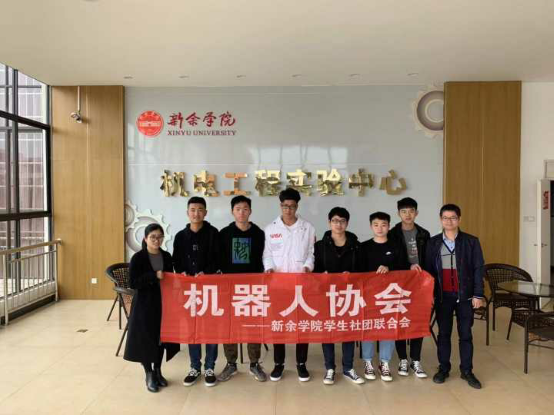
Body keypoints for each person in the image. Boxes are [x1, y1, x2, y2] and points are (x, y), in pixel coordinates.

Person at [425, 204, 485, 389]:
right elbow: (428, 271)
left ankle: (467, 371)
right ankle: (443, 368)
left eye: (453, 218)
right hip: (443, 296)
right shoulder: (433, 243)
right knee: (444, 334)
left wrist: (478, 294)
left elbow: (478, 268)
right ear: (440, 220)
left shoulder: (471, 241)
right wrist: (429, 294)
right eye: (445, 218)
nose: (449, 221)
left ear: (459, 219)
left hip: (465, 296)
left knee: (465, 334)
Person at [263, 188, 316, 382]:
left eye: (292, 206)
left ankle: (301, 363)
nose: (288, 210)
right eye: (285, 206)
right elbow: (267, 253)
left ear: (297, 207)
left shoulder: (307, 228)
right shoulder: (271, 228)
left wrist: (308, 266)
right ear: (280, 206)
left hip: (301, 284)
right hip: (278, 284)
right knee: (279, 325)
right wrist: (269, 268)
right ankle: (279, 364)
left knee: (302, 324)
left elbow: (311, 252)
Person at [217, 195, 268, 382]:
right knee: (229, 325)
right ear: (232, 211)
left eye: (245, 209)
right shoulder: (224, 233)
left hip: (253, 288)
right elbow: (219, 260)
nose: (241, 212)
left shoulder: (259, 233)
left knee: (253, 325)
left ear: (250, 211)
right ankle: (231, 364)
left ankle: (254, 364)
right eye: (238, 209)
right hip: (230, 288)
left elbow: (265, 258)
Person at [124, 223, 180, 393]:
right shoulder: (138, 258)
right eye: (153, 237)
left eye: (159, 237)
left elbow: (171, 279)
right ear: (145, 239)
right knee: (146, 339)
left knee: (161, 338)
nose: (156, 240)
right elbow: (133, 283)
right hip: (144, 305)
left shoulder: (166, 256)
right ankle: (148, 373)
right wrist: (153, 276)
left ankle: (158, 370)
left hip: (164, 303)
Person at [314, 207, 365, 385]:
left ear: (347, 223)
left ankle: (348, 368)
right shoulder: (319, 246)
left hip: (348, 294)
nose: (338, 224)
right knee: (328, 330)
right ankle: (329, 368)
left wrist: (351, 274)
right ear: (329, 223)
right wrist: (322, 274)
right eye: (335, 221)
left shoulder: (356, 245)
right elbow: (314, 270)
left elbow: (363, 270)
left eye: (342, 221)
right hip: (326, 295)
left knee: (347, 330)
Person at [173, 196, 220, 387]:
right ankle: (194, 367)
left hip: (209, 288)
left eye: (200, 209)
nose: (196, 213)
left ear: (205, 212)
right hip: (189, 290)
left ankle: (209, 367)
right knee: (192, 328)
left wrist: (206, 273)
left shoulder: (213, 233)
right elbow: (176, 260)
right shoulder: (180, 236)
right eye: (192, 210)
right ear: (187, 212)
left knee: (210, 328)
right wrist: (182, 273)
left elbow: (218, 259)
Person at [360, 212, 409, 382]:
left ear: (389, 226)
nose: (379, 228)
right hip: (369, 295)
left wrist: (389, 268)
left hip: (390, 296)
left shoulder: (397, 246)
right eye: (376, 225)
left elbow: (404, 268)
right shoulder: (364, 247)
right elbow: (358, 271)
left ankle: (384, 362)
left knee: (388, 327)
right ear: (371, 226)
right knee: (368, 328)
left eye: (383, 225)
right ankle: (368, 362)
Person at [388, 197, 430, 378]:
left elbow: (428, 260)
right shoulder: (392, 234)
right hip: (399, 283)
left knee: (417, 320)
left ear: (416, 213)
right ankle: (402, 359)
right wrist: (408, 266)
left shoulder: (424, 234)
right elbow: (391, 259)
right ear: (398, 213)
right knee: (399, 320)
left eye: (411, 211)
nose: (407, 215)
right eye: (404, 211)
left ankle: (416, 359)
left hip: (420, 285)